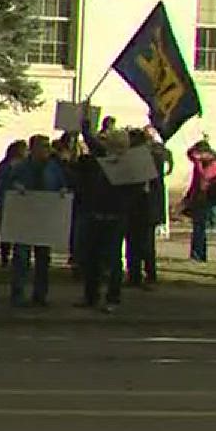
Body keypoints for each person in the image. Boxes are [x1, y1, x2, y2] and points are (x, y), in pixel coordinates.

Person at [73, 128, 137, 311]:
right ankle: (91, 296)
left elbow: (133, 192)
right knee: (91, 258)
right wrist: (84, 124)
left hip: (115, 217)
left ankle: (112, 298)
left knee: (112, 260)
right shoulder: (102, 159)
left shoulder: (129, 166)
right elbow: (93, 144)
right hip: (96, 214)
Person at [5, 135, 67, 308]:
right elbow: (7, 183)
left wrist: (62, 191)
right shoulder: (21, 167)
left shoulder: (54, 168)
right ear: (33, 149)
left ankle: (40, 294)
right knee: (21, 257)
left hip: (44, 219)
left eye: (47, 147)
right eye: (42, 147)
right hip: (25, 218)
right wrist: (16, 187)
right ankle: (17, 293)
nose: (46, 151)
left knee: (43, 258)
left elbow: (62, 184)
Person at [123, 128, 172, 288]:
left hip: (146, 206)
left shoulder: (153, 156)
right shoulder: (137, 157)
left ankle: (149, 274)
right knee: (134, 243)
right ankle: (135, 275)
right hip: (134, 207)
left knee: (145, 244)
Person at [181, 140, 216, 263]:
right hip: (199, 198)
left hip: (207, 198)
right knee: (198, 227)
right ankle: (197, 254)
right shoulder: (202, 162)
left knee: (200, 227)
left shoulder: (214, 164)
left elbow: (204, 178)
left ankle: (198, 254)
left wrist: (198, 164)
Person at [0, 140, 27, 267]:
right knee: (6, 232)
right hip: (6, 204)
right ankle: (5, 257)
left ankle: (16, 258)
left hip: (21, 206)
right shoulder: (4, 167)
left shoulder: (25, 167)